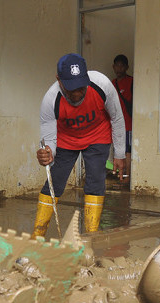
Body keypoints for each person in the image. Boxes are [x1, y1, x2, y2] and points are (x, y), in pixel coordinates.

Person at [33, 53, 126, 237]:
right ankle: (37, 234)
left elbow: (117, 118)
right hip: (67, 139)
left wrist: (119, 154)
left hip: (98, 135)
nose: (76, 94)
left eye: (81, 88)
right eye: (70, 89)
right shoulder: (50, 101)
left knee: (95, 182)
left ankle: (91, 236)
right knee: (55, 181)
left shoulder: (102, 85)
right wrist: (48, 153)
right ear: (59, 80)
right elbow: (49, 140)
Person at [111, 54, 133, 183]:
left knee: (127, 151)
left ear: (126, 67)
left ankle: (127, 177)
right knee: (118, 150)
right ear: (113, 67)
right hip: (116, 125)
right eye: (117, 65)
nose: (119, 68)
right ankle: (120, 176)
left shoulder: (132, 81)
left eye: (121, 66)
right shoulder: (111, 83)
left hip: (128, 124)